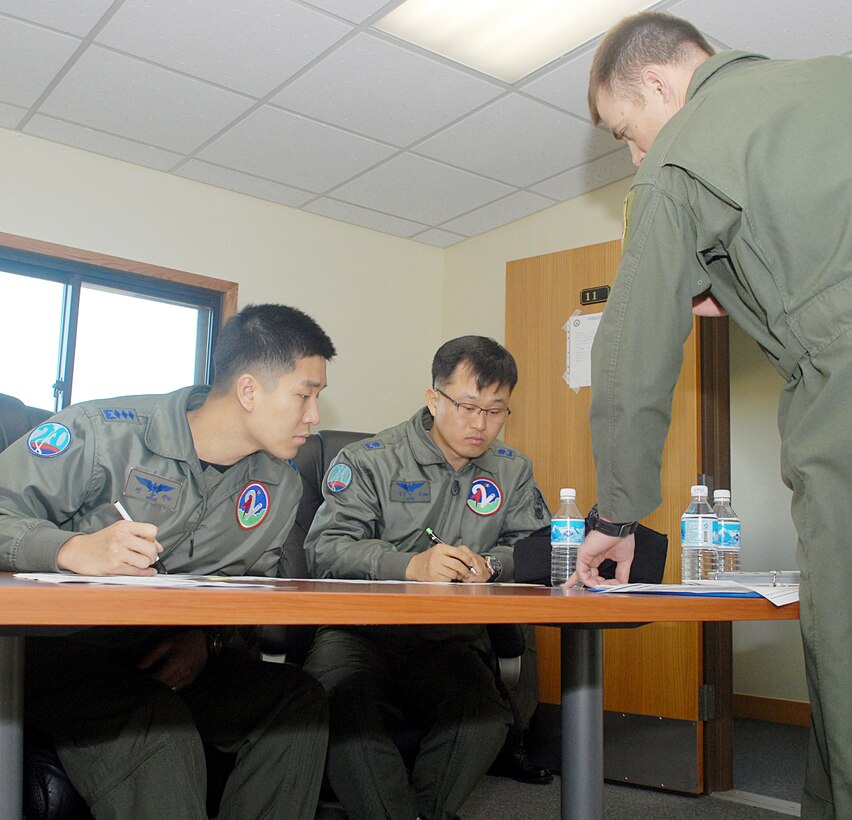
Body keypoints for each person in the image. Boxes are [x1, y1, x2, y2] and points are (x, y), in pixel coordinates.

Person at [570, 11, 852, 819]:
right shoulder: (832, 74)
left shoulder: (683, 152)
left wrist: (618, 512)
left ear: (659, 84)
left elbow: (632, 353)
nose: (635, 154)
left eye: (628, 131)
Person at [0, 303, 336, 819]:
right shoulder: (102, 434)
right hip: (63, 655)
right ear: (248, 391)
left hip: (166, 655)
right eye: (305, 395)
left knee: (297, 702)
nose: (314, 416)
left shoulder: (280, 485)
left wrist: (206, 639)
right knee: (156, 726)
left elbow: (249, 591)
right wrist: (68, 549)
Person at [303, 336, 550, 820]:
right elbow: (324, 550)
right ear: (434, 399)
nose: (481, 424)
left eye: (497, 411)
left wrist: (492, 565)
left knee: (482, 718)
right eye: (467, 406)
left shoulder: (511, 470)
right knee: (339, 709)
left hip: (448, 639)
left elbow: (538, 549)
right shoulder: (370, 460)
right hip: (359, 634)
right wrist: (409, 566)